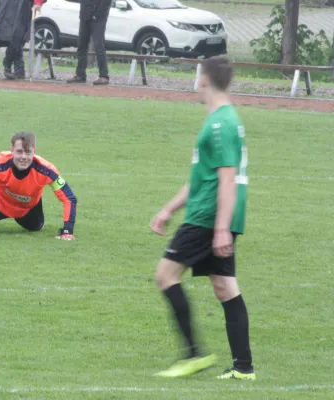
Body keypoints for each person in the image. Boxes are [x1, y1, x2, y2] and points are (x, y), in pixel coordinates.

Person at [150, 56, 255, 380]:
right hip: (212, 213)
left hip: (208, 218)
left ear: (204, 79)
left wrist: (221, 228)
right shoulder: (220, 119)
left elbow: (226, 179)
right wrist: (169, 208)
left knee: (166, 276)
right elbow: (202, 178)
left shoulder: (221, 123)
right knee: (224, 287)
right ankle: (243, 368)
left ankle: (193, 354)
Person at [0, 132, 77, 239]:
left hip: (27, 207)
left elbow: (69, 199)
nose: (23, 157)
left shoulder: (47, 170)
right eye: (19, 152)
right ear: (12, 151)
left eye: (28, 152)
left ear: (35, 152)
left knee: (38, 228)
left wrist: (67, 231)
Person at [0, 0, 44, 80]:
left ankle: (8, 64)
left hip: (22, 11)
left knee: (17, 39)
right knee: (12, 40)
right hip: (7, 10)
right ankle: (19, 70)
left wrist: (37, 3)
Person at [66, 0, 112, 85]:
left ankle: (104, 75)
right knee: (81, 45)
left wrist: (97, 14)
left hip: (98, 17)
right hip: (85, 14)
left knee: (99, 45)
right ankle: (80, 74)